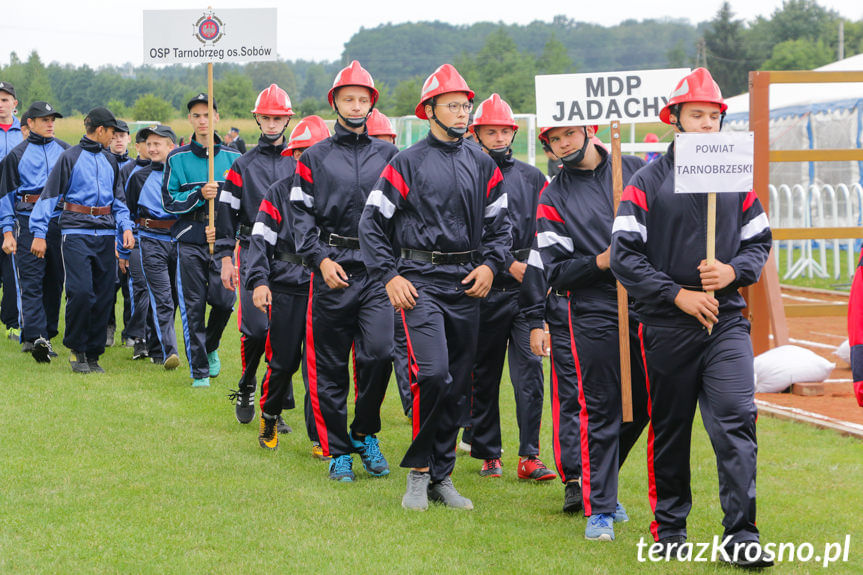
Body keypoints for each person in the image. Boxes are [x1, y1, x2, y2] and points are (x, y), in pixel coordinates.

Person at [610, 68, 773, 567]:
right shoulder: (645, 182)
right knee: (672, 429)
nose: (706, 124)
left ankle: (741, 535)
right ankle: (671, 528)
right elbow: (623, 254)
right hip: (665, 326)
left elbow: (759, 242)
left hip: (726, 324)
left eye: (713, 116)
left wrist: (731, 271)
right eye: (696, 115)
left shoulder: (737, 179)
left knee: (736, 423)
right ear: (675, 120)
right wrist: (676, 294)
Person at [359, 63, 511, 510]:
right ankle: (418, 474)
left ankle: (443, 478)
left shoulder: (484, 165)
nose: (463, 113)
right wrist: (390, 276)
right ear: (429, 111)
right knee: (432, 374)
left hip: (468, 284)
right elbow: (371, 224)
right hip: (419, 283)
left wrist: (490, 267)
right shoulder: (405, 162)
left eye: (466, 105)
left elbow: (502, 229)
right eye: (453, 106)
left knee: (459, 385)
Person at [526, 121, 649, 541]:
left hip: (648, 302)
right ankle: (599, 508)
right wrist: (603, 261)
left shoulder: (635, 170)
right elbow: (556, 272)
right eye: (554, 140)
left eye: (569, 135)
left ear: (590, 130)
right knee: (601, 406)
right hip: (591, 309)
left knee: (645, 405)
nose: (563, 145)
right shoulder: (552, 196)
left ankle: (603, 483)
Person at [292, 61, 399, 482]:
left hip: (377, 272)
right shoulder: (314, 158)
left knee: (380, 353)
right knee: (331, 365)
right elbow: (300, 217)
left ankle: (365, 431)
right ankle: (338, 450)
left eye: (362, 99)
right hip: (331, 270)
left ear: (371, 105)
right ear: (334, 102)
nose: (355, 106)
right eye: (347, 98)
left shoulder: (391, 156)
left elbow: (403, 216)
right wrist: (319, 259)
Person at [465, 93, 556, 482]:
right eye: (491, 131)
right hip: (484, 290)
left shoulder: (534, 177)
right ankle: (488, 452)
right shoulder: (467, 175)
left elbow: (548, 231)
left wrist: (534, 271)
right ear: (477, 134)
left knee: (529, 373)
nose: (499, 137)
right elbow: (466, 235)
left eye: (505, 130)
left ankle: (530, 455)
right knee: (482, 374)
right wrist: (506, 263)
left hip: (526, 295)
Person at [30, 106, 134, 373]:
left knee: (103, 295)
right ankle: (77, 349)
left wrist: (125, 227)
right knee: (80, 292)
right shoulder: (69, 158)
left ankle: (93, 353)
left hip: (106, 233)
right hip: (76, 233)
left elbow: (119, 201)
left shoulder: (112, 160)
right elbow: (49, 196)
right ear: (100, 130)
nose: (114, 137)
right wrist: (39, 233)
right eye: (112, 131)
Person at [217, 84, 296, 428]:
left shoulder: (300, 162)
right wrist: (224, 258)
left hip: (292, 257)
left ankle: (273, 405)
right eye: (267, 117)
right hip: (251, 250)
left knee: (286, 331)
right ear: (257, 119)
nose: (273, 123)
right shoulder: (242, 166)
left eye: (278, 117)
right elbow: (225, 215)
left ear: (287, 120)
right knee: (258, 328)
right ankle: (247, 382)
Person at [161, 93, 240, 387]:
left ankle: (211, 346)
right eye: (196, 115)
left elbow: (241, 204)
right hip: (190, 240)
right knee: (193, 305)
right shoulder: (176, 158)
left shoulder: (235, 158)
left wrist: (220, 227)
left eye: (207, 114)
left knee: (224, 301)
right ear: (189, 120)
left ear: (216, 118)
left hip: (222, 242)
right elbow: (169, 201)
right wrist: (198, 197)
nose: (202, 120)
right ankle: (200, 372)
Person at [0, 101, 69, 361]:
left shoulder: (66, 151)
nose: (50, 123)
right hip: (26, 222)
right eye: (44, 120)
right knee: (31, 281)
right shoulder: (16, 156)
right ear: (30, 123)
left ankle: (44, 335)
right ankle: (37, 336)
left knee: (54, 281)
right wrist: (8, 231)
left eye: (53, 119)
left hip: (58, 223)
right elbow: (5, 197)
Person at [123, 124, 181, 370]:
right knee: (162, 297)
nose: (152, 148)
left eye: (158, 143)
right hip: (150, 240)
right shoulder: (138, 177)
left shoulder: (181, 176)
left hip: (178, 241)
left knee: (176, 297)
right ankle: (170, 350)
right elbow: (126, 210)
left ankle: (158, 347)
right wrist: (124, 244)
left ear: (172, 146)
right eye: (149, 144)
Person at [0, 81, 22, 342]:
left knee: (13, 270)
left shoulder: (24, 132)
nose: (1, 104)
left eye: (5, 99)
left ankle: (13, 323)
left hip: (15, 211)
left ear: (15, 103)